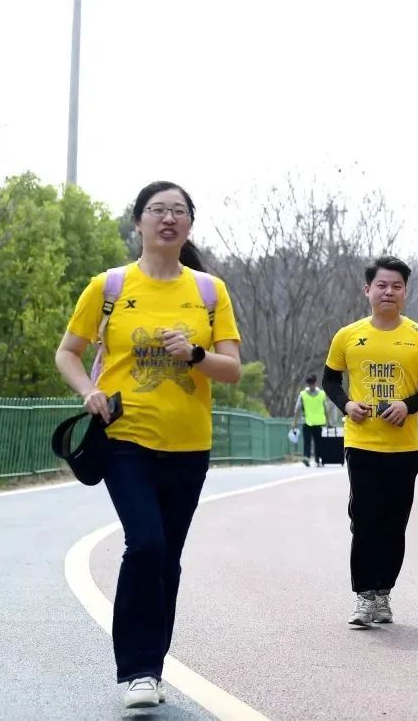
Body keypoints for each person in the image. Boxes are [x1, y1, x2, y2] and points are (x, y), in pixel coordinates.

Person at [54, 181, 241, 710]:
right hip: (125, 438)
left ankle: (153, 669)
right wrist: (89, 391)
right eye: (157, 210)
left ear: (189, 225)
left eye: (178, 211)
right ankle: (137, 671)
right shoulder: (109, 287)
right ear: (138, 222)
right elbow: (67, 352)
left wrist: (196, 354)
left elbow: (231, 368)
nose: (168, 218)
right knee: (147, 544)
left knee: (168, 559)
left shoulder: (209, 291)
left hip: (190, 444)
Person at [322, 255, 418, 627]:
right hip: (362, 443)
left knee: (393, 524)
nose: (388, 292)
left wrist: (406, 406)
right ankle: (364, 596)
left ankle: (383, 592)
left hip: (403, 448)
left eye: (396, 286)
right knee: (364, 520)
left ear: (405, 292)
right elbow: (330, 380)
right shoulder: (348, 335)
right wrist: (347, 405)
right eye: (382, 285)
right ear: (368, 290)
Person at [291, 374, 332, 466]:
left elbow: (297, 409)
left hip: (314, 422)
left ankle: (314, 458)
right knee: (315, 442)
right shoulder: (313, 394)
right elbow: (297, 409)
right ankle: (310, 458)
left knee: (312, 442)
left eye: (312, 383)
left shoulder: (307, 394)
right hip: (309, 422)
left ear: (314, 383)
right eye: (310, 383)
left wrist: (294, 423)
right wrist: (329, 422)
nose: (311, 385)